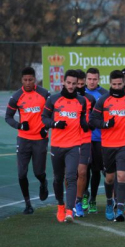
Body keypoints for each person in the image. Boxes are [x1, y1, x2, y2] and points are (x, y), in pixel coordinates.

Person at [89, 70, 125, 222]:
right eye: (114, 84)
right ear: (110, 83)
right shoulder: (103, 100)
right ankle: (108, 202)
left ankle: (119, 209)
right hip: (107, 144)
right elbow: (93, 120)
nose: (117, 87)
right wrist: (105, 124)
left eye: (119, 84)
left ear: (124, 83)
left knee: (122, 176)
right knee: (110, 178)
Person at [42, 69, 88, 223]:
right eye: (68, 83)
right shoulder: (53, 99)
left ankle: (70, 210)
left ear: (77, 84)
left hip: (74, 145)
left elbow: (82, 119)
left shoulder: (81, 101)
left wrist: (88, 125)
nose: (71, 86)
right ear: (63, 81)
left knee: (71, 177)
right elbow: (44, 118)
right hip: (56, 145)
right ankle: (60, 205)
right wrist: (54, 124)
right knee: (58, 178)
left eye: (74, 84)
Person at [5, 67, 50, 214]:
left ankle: (43, 183)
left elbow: (53, 113)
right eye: (25, 80)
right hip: (23, 140)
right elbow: (8, 117)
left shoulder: (44, 94)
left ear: (35, 80)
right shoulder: (16, 96)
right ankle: (28, 204)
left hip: (40, 139)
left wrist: (46, 128)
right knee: (21, 174)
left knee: (38, 173)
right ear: (21, 80)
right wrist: (19, 125)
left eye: (31, 80)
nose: (28, 82)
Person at [83, 68, 108, 213]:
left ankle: (93, 198)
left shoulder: (104, 94)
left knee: (96, 170)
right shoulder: (81, 94)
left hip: (99, 138)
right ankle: (84, 195)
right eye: (89, 79)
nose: (92, 82)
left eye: (94, 79)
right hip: (84, 138)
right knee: (83, 169)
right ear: (86, 79)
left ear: (98, 80)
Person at [73, 69, 96, 217]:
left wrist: (91, 125)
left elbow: (94, 118)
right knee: (69, 174)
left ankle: (79, 201)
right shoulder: (59, 99)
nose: (79, 86)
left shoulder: (90, 99)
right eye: (77, 84)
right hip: (67, 140)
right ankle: (69, 202)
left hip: (85, 140)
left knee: (82, 172)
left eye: (82, 84)